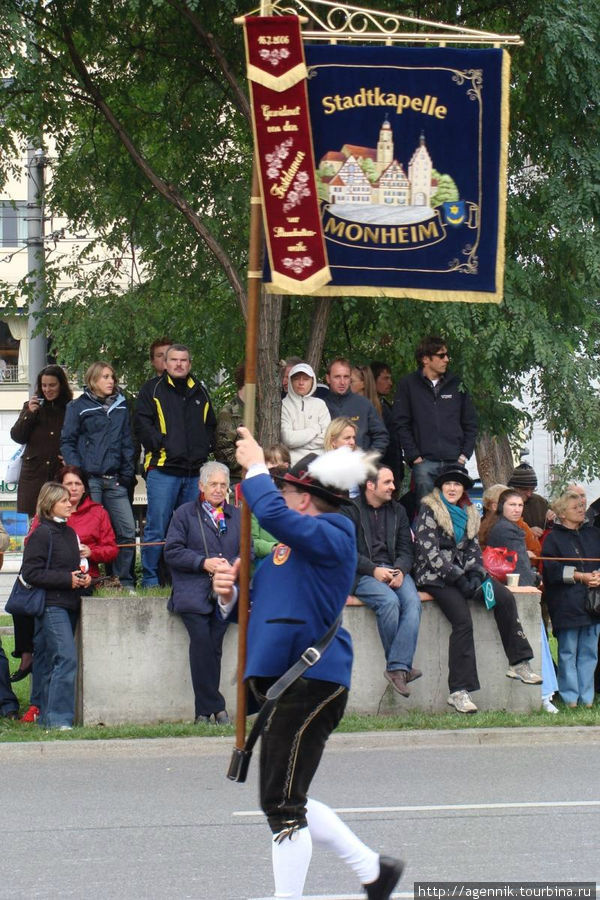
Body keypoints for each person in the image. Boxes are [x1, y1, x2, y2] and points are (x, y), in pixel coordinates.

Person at [213, 432, 403, 900]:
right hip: (285, 680)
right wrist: (230, 594)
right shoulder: (287, 549)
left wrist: (257, 466)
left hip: (312, 679)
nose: (280, 498)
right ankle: (374, 872)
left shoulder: (334, 533)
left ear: (305, 500)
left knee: (280, 802)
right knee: (286, 796)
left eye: (288, 491)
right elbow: (259, 604)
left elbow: (270, 513)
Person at [413, 464, 541, 714]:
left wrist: (475, 573)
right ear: (441, 487)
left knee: (502, 597)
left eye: (457, 484)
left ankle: (518, 662)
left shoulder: (469, 510)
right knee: (463, 621)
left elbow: (472, 548)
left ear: (463, 489)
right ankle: (459, 692)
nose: (452, 488)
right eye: (448, 483)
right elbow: (429, 552)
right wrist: (457, 577)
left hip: (464, 573)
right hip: (436, 576)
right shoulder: (429, 508)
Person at [9, 365, 73, 683]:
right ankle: (25, 653)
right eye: (44, 385)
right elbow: (16, 436)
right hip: (32, 489)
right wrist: (29, 413)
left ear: (61, 385)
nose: (48, 390)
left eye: (52, 385)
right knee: (28, 556)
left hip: (57, 484)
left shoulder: (68, 411)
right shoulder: (32, 408)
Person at [164, 461, 240, 725]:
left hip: (224, 593)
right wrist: (203, 562)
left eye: (223, 485)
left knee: (214, 648)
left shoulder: (237, 516)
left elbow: (248, 551)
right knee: (202, 645)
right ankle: (215, 707)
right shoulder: (184, 514)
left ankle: (204, 713)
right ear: (201, 486)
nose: (219, 490)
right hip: (192, 592)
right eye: (213, 484)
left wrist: (233, 565)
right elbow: (172, 551)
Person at [134, 344, 217, 587]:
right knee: (156, 528)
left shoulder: (200, 390)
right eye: (174, 360)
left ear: (189, 364)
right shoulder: (152, 389)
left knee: (190, 529)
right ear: (165, 364)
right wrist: (162, 444)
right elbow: (141, 424)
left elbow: (210, 424)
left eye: (184, 360)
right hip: (163, 469)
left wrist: (205, 446)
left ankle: (183, 579)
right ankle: (150, 580)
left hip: (194, 473)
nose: (179, 364)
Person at [342, 466, 422, 696]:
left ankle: (396, 667)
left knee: (413, 603)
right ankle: (400, 667)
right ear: (370, 485)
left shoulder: (398, 511)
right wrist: (374, 570)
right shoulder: (350, 511)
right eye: (387, 482)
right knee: (389, 602)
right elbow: (346, 551)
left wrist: (400, 570)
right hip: (363, 574)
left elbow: (407, 550)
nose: (393, 487)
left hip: (395, 570)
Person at [479, 488, 559, 714]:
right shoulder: (508, 529)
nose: (516, 509)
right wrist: (533, 582)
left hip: (504, 587)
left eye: (519, 505)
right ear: (501, 506)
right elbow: (519, 565)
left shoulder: (495, 525)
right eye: (511, 505)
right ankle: (544, 696)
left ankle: (546, 695)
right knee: (538, 642)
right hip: (517, 591)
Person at [21, 482, 92, 729]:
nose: (69, 503)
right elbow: (30, 572)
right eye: (63, 500)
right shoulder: (41, 533)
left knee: (55, 661)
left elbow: (71, 568)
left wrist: (84, 578)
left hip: (69, 603)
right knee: (66, 658)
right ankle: (60, 719)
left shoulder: (69, 533)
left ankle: (49, 720)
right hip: (51, 605)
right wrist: (66, 579)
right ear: (50, 503)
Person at [60, 361, 136, 591]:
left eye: (112, 376)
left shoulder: (122, 407)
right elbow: (67, 441)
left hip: (115, 479)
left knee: (127, 531)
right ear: (93, 381)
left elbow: (127, 443)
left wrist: (126, 474)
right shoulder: (78, 407)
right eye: (105, 377)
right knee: (91, 531)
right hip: (90, 478)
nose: (111, 381)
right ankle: (92, 580)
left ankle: (123, 582)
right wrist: (79, 473)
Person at [392, 336, 477, 504]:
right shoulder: (408, 384)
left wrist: (464, 454)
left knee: (455, 510)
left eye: (447, 354)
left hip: (455, 459)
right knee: (426, 511)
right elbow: (401, 423)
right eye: (441, 355)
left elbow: (470, 422)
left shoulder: (457, 384)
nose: (447, 359)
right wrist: (414, 456)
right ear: (425, 359)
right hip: (424, 461)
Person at [541, 490, 600, 708]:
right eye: (575, 507)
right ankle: (570, 699)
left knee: (590, 652)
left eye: (582, 506)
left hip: (594, 603)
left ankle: (587, 699)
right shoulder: (553, 539)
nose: (581, 509)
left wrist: (597, 576)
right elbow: (551, 570)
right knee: (567, 652)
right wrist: (581, 576)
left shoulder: (594, 533)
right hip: (566, 603)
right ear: (562, 513)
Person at [323, 357, 389, 453]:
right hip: (328, 464)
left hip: (360, 464)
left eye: (346, 377)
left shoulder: (364, 404)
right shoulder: (320, 406)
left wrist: (368, 459)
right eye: (337, 377)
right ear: (328, 379)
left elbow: (381, 436)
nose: (342, 382)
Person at [281, 362, 331, 465]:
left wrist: (298, 444)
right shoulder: (284, 405)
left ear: (312, 381)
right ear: (291, 381)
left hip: (319, 463)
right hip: (293, 464)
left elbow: (328, 437)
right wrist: (315, 429)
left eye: (306, 379)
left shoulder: (320, 404)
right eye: (296, 379)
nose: (301, 382)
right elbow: (288, 439)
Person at [252, 444, 290, 568]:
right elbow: (251, 541)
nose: (270, 467)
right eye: (267, 463)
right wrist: (273, 547)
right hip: (265, 559)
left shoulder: (295, 498)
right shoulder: (256, 499)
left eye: (274, 463)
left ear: (286, 465)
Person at [215, 362, 246, 486]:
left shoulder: (264, 409)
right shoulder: (229, 412)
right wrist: (251, 461)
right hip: (238, 480)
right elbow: (223, 452)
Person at [507, 463, 550, 538]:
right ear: (514, 487)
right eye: (525, 489)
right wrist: (527, 532)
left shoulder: (540, 502)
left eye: (532, 489)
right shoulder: (504, 504)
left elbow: (551, 526)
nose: (529, 494)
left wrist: (551, 519)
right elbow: (503, 531)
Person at [324, 417, 359, 498]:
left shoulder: (360, 463)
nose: (352, 442)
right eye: (347, 438)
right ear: (333, 441)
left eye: (353, 437)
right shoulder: (324, 469)